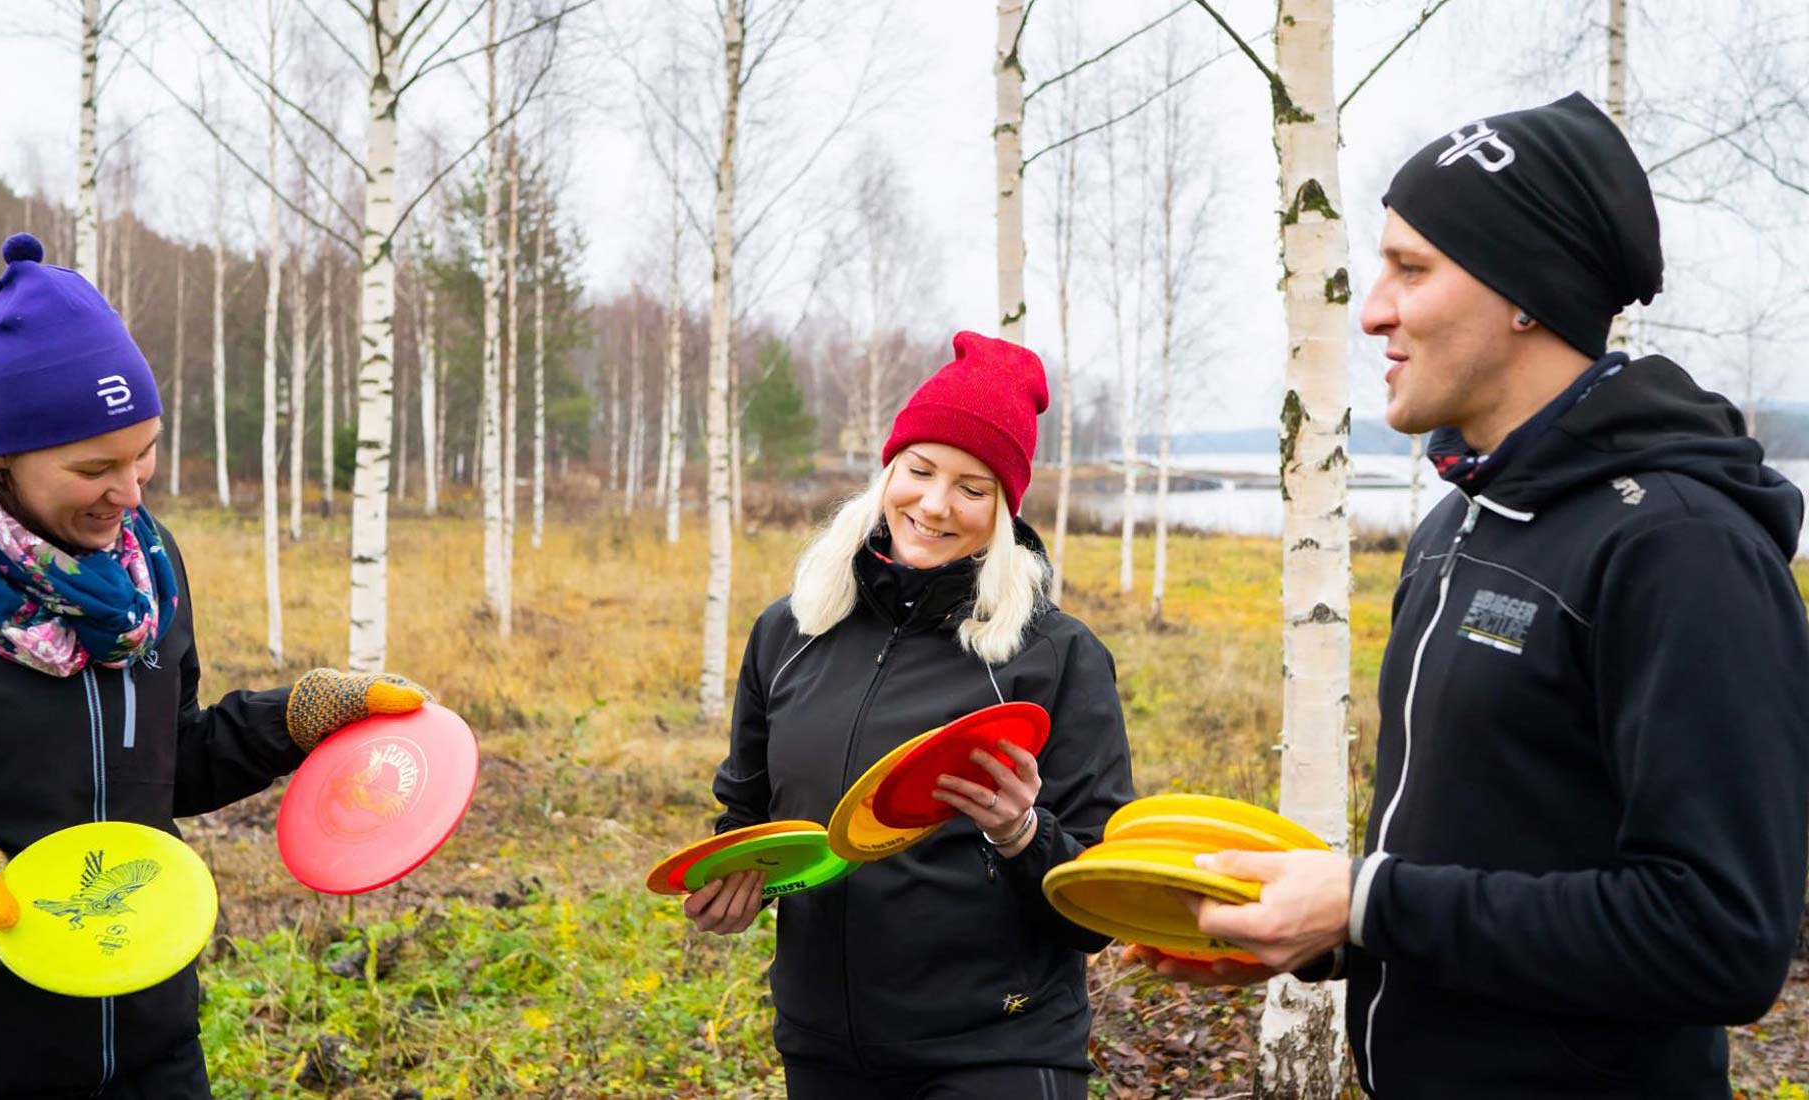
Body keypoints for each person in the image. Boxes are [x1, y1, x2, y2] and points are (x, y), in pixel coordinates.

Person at [1140, 93, 1809, 1098]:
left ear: (1522, 292)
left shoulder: (1678, 546)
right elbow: (1482, 856)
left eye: (1410, 268)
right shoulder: (1455, 527)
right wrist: (1318, 927)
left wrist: (1366, 899)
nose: (1370, 308)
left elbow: (1718, 937)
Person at [0, 233, 434, 1099]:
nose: (131, 494)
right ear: (1, 453)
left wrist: (296, 717)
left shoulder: (142, 573)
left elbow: (163, 765)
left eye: (143, 452)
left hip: (151, 1056)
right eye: (93, 467)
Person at [692, 332, 1136, 1100]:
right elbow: (748, 812)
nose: (933, 504)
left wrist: (1021, 833)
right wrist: (738, 880)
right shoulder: (792, 632)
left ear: (1004, 510)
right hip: (824, 1048)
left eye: (972, 487)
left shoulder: (1054, 657)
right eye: (920, 470)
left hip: (994, 1052)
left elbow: (1098, 905)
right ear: (887, 472)